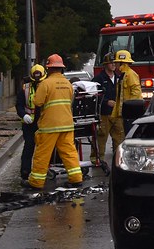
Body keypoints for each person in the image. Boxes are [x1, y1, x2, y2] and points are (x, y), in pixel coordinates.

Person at [26, 54, 83, 189]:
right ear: (61, 68)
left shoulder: (45, 83)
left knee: (43, 154)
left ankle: (36, 182)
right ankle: (76, 178)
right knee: (69, 153)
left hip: (49, 126)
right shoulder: (68, 84)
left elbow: (37, 102)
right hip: (67, 124)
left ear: (49, 68)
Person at [16, 64, 45, 179]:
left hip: (44, 123)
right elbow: (19, 105)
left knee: (45, 148)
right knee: (29, 146)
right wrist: (23, 115)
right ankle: (25, 171)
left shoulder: (47, 86)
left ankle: (45, 170)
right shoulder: (25, 88)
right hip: (29, 124)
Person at [93, 54, 120, 162]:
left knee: (119, 137)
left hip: (117, 113)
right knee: (101, 137)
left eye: (115, 63)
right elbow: (94, 95)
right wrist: (106, 102)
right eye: (111, 63)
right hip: (103, 114)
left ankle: (118, 160)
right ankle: (98, 160)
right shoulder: (98, 79)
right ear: (105, 64)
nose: (113, 65)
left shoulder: (119, 78)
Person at [112, 49, 142, 137]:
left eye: (116, 62)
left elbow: (136, 93)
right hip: (126, 113)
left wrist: (131, 110)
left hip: (130, 114)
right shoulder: (123, 75)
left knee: (131, 136)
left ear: (122, 63)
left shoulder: (130, 74)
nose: (115, 64)